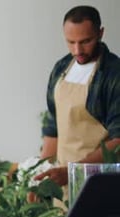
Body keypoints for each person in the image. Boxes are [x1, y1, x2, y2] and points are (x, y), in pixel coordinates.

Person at [34, 6, 120, 189]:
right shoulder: (61, 68)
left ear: (100, 33)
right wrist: (40, 177)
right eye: (70, 42)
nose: (77, 50)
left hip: (99, 183)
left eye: (85, 41)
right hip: (62, 181)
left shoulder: (114, 74)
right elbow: (52, 128)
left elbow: (118, 141)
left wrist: (75, 171)